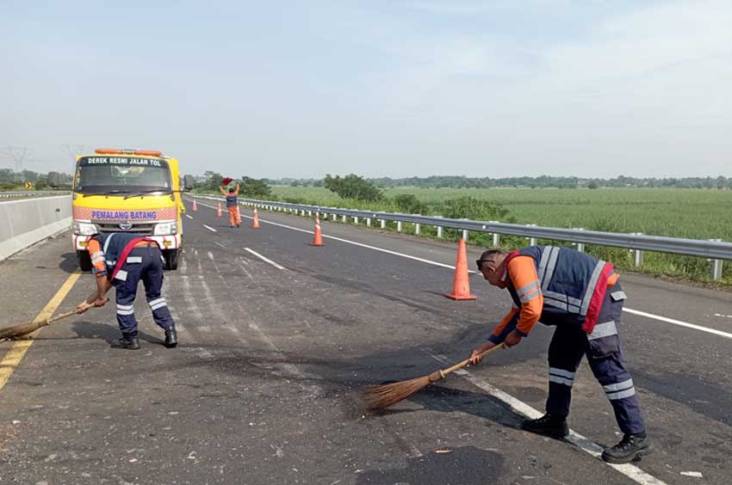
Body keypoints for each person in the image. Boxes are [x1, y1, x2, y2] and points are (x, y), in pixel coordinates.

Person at [470, 246, 650, 464]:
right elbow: (517, 311)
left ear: (491, 267)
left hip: (598, 301)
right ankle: (555, 420)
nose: (492, 284)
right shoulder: (518, 267)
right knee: (560, 358)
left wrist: (519, 333)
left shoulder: (517, 264)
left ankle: (636, 435)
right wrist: (489, 345)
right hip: (576, 311)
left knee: (608, 369)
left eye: (487, 277)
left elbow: (532, 308)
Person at [76, 231, 178, 350]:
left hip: (133, 257)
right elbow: (110, 280)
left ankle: (130, 339)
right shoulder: (117, 240)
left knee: (124, 300)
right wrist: (88, 302)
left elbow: (100, 273)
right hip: (155, 254)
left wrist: (101, 298)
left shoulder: (93, 243)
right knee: (155, 297)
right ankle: (170, 332)